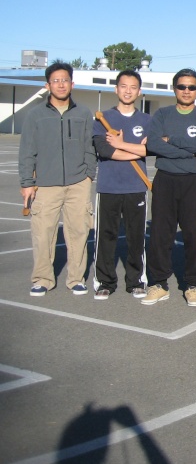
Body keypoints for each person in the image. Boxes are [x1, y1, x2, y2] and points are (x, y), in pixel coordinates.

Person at [19, 61, 96, 297]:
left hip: (77, 183)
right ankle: (42, 278)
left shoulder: (83, 113)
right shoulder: (35, 115)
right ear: (47, 85)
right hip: (45, 184)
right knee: (43, 233)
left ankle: (76, 279)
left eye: (65, 80)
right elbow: (27, 151)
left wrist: (88, 176)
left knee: (78, 231)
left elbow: (89, 147)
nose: (61, 84)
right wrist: (26, 183)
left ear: (72, 84)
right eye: (56, 80)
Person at [142, 69, 196, 307]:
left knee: (195, 234)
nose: (186, 91)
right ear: (174, 89)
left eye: (191, 87)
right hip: (165, 179)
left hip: (194, 181)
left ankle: (192, 285)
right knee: (161, 234)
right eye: (182, 86)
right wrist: (188, 149)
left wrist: (170, 140)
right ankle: (159, 284)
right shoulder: (161, 114)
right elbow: (153, 144)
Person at [92, 70, 151, 300]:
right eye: (123, 86)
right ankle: (104, 282)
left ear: (139, 91)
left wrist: (122, 144)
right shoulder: (102, 118)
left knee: (136, 236)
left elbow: (153, 148)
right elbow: (105, 151)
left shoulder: (147, 121)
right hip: (108, 187)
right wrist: (135, 150)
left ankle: (136, 281)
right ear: (116, 89)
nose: (128, 90)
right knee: (106, 236)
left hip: (136, 186)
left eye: (133, 87)